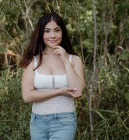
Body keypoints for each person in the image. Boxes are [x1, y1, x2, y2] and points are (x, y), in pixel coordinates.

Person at [20, 12, 85, 140]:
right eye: (47, 31)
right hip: (37, 122)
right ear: (41, 34)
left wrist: (65, 60)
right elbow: (27, 96)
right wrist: (60, 91)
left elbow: (77, 91)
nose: (53, 35)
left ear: (63, 32)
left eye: (57, 30)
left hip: (64, 121)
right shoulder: (31, 61)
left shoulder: (74, 59)